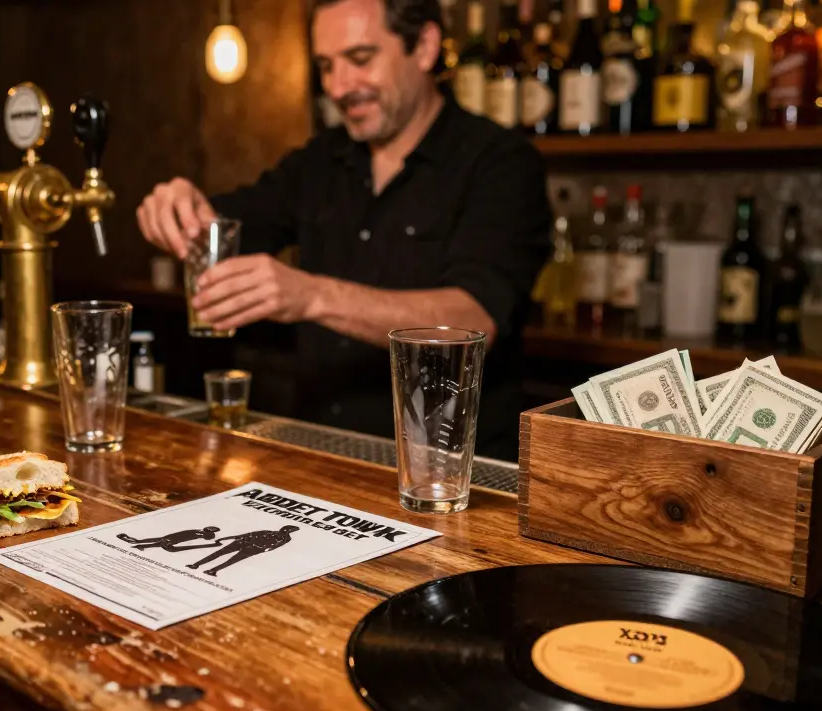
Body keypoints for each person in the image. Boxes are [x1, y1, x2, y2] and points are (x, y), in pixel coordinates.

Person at [137, 0, 551, 460]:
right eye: (326, 67)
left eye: (360, 59)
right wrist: (177, 208)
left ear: (425, 47)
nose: (339, 87)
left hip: (448, 470)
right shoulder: (320, 162)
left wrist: (309, 295)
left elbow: (475, 320)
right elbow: (223, 223)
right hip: (321, 456)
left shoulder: (500, 163)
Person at [186, 526, 298, 577]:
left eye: (286, 531)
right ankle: (196, 565)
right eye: (284, 530)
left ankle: (212, 570)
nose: (282, 532)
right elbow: (247, 535)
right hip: (243, 542)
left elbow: (275, 547)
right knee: (219, 554)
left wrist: (263, 549)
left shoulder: (286, 539)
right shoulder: (267, 531)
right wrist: (230, 538)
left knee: (232, 560)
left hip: (254, 548)